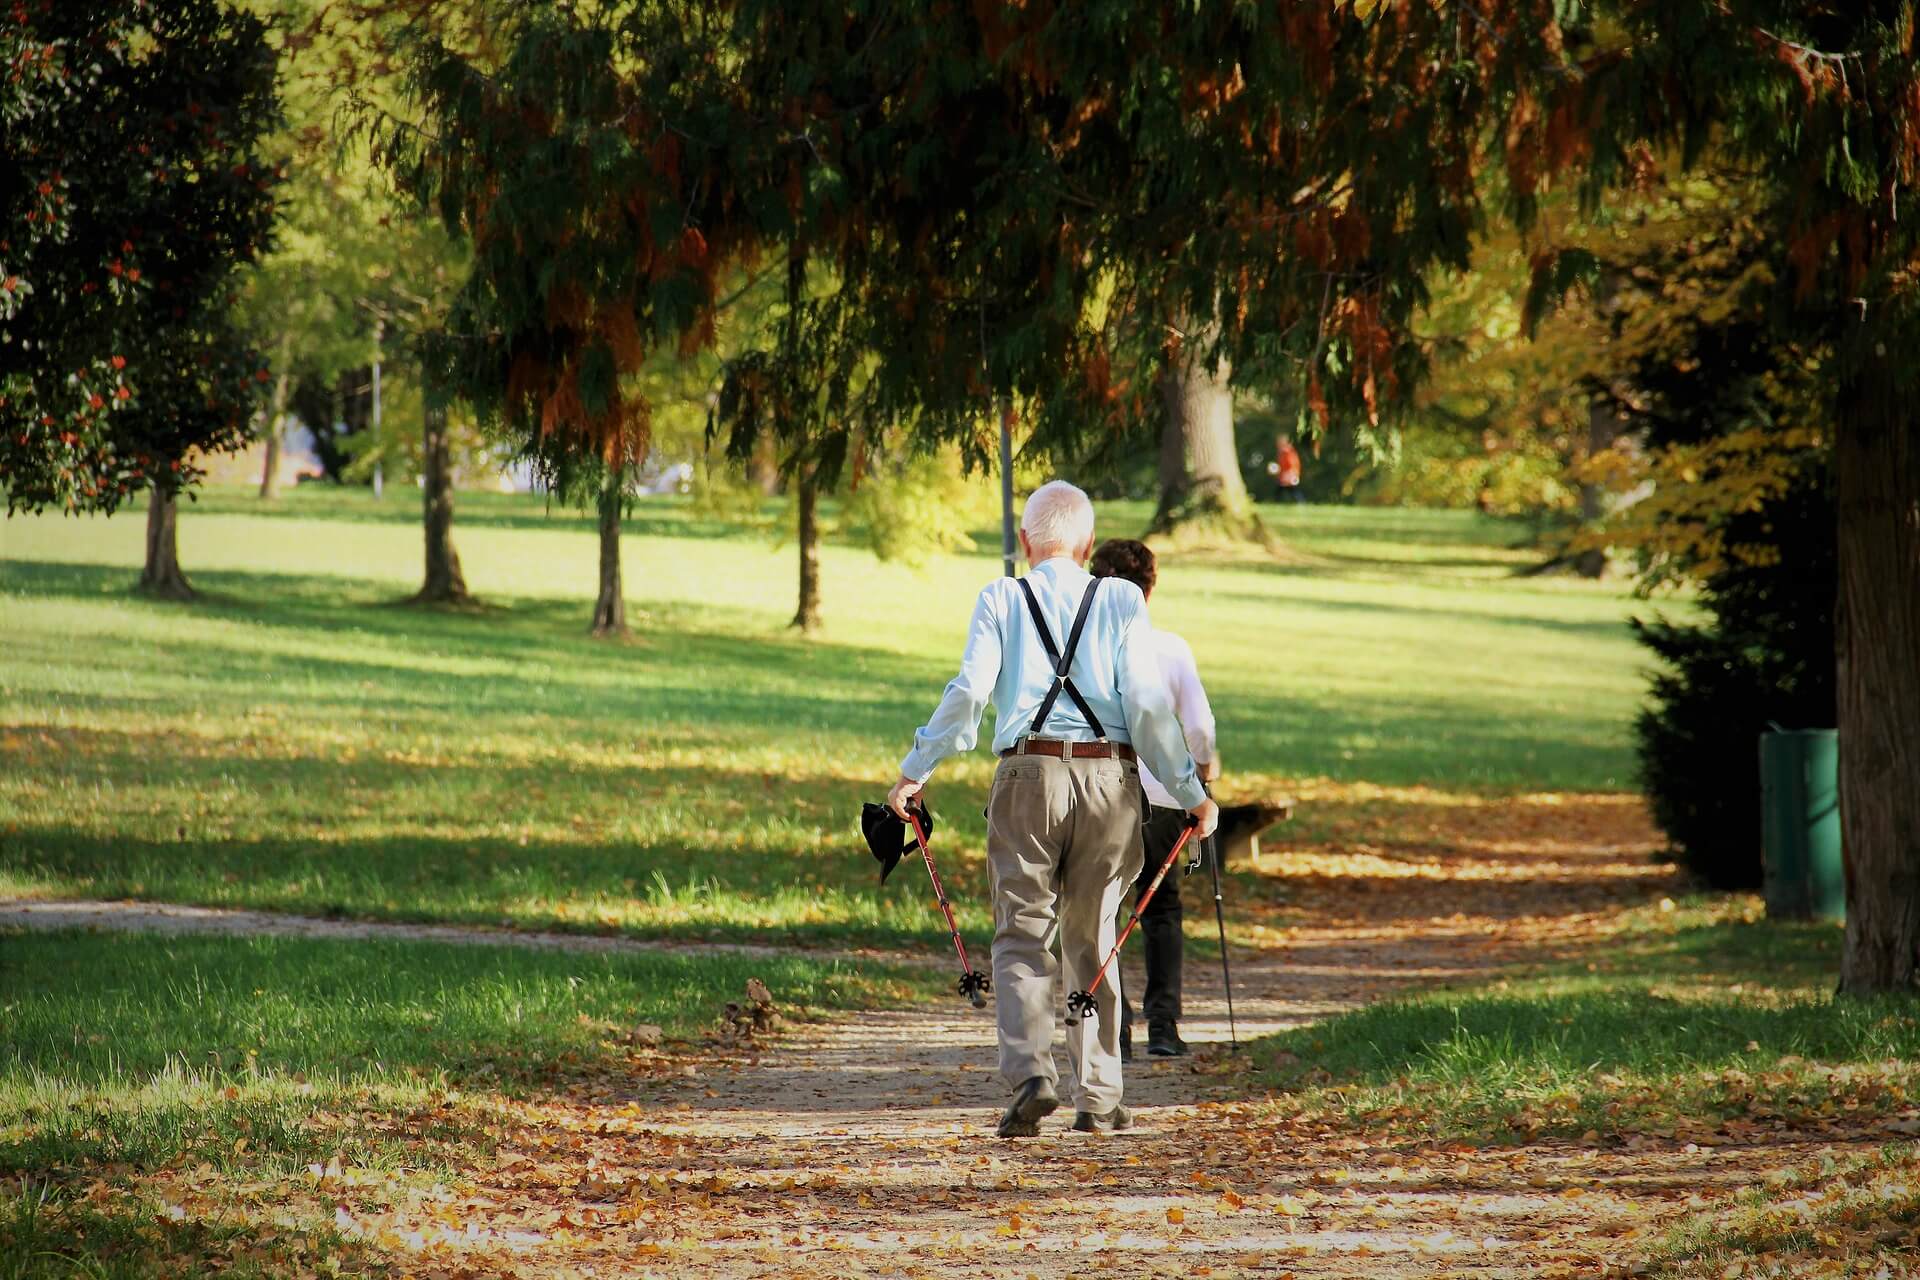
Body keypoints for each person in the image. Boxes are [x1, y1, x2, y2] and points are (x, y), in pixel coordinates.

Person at [887, 480, 1219, 1139]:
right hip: (1108, 779)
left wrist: (913, 771)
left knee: (1020, 930)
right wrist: (1192, 793)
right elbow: (1150, 712)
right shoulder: (1122, 600)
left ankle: (1032, 1075)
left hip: (1026, 775)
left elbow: (969, 693)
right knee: (1095, 936)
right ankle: (1098, 1095)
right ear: (1089, 545)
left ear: (1024, 543)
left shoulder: (1001, 597)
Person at [1088, 539, 1218, 1061]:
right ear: (1151, 587)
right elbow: (1200, 726)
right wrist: (1205, 770)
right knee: (1162, 908)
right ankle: (1163, 1025)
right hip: (1166, 794)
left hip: (1105, 791)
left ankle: (1114, 1030)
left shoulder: (1088, 650)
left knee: (1105, 907)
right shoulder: (1170, 648)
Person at [1268, 435, 1304, 503]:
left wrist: (1287, 474)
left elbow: (1291, 464)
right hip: (1288, 475)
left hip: (1289, 476)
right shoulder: (1284, 452)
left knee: (1292, 491)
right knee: (1288, 490)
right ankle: (1301, 503)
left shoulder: (1286, 452)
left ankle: (1301, 503)